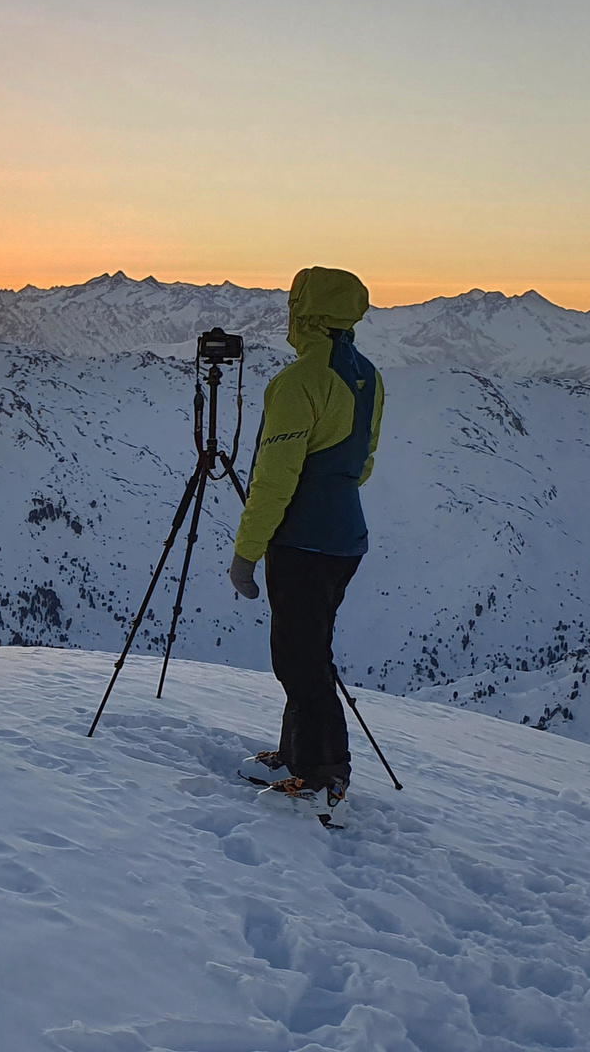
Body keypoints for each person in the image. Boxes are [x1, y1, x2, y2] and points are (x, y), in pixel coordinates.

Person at [227, 267, 383, 804]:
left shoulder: (298, 383)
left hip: (303, 541)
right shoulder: (366, 375)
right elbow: (362, 462)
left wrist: (246, 554)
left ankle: (321, 774)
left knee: (299, 660)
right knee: (307, 650)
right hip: (345, 536)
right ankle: (296, 752)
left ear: (304, 312)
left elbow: (273, 480)